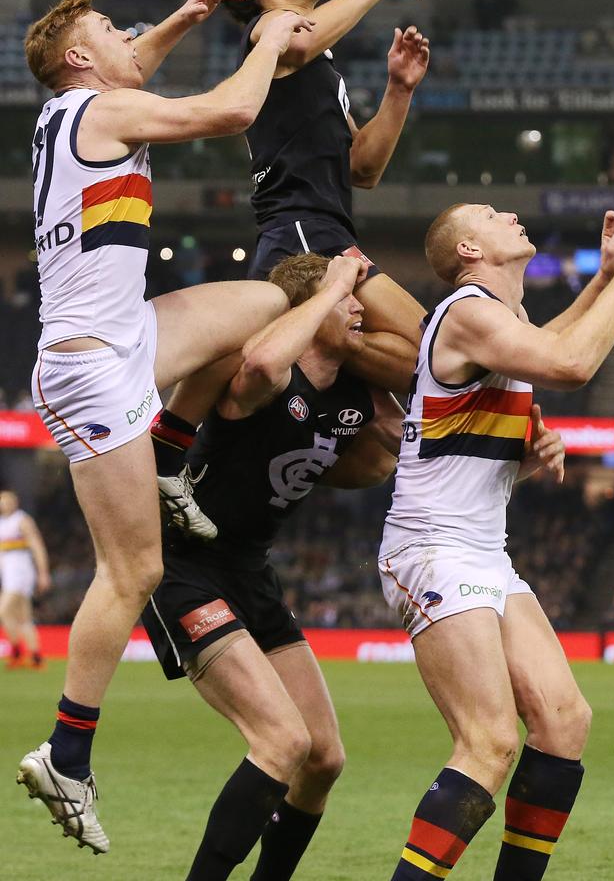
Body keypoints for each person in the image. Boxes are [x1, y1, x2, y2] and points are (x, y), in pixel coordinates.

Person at [17, 0, 313, 854]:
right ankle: (69, 752)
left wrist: (185, 17)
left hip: (126, 336)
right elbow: (229, 111)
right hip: (90, 368)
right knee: (133, 571)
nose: (127, 35)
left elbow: (136, 64)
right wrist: (263, 38)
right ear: (79, 58)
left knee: (264, 306)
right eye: (109, 29)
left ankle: (171, 460)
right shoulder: (104, 108)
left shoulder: (72, 109)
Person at [379, 199, 614, 880]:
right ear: (469, 249)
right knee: (489, 742)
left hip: (480, 549)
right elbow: (572, 364)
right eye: (492, 215)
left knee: (564, 721)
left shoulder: (498, 320)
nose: (509, 213)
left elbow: (543, 345)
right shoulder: (468, 311)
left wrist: (601, 276)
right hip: (432, 545)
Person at [142, 253, 402, 881]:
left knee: (324, 759)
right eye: (346, 298)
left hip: (250, 570)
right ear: (309, 308)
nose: (359, 307)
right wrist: (330, 284)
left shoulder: (355, 394)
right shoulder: (259, 367)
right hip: (182, 561)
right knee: (283, 742)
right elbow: (261, 362)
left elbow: (396, 446)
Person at [207, 0, 432, 395]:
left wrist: (399, 89)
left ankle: (317, 355)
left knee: (373, 437)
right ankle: (321, 349)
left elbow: (362, 168)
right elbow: (301, 39)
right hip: (302, 229)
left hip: (318, 226)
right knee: (431, 350)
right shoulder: (267, 28)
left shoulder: (321, 66)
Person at [0, 489, 51, 669]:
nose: (4, 503)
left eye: (7, 500)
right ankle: (36, 658)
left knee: (4, 610)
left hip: (21, 573)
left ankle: (16, 652)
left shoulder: (22, 521)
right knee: (24, 618)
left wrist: (43, 573)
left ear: (15, 502)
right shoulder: (2, 523)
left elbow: (37, 546)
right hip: (9, 575)